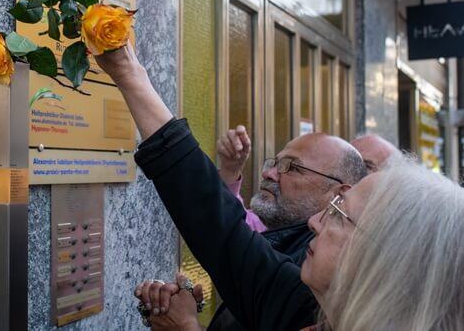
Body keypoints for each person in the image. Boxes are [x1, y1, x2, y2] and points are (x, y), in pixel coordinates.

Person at [95, 43, 464, 330]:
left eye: (339, 215)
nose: (316, 223)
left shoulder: (306, 302)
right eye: (276, 162)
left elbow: (221, 229)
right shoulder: (310, 304)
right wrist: (128, 72)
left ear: (387, 256)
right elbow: (217, 226)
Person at [137, 128, 366, 330]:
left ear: (339, 195)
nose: (269, 173)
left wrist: (186, 327)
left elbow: (217, 222)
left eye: (291, 167)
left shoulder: (318, 279)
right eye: (275, 163)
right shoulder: (285, 242)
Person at [217, 126, 266, 232]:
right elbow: (239, 223)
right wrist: (230, 170)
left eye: (293, 168)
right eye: (277, 164)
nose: (267, 173)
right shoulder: (267, 225)